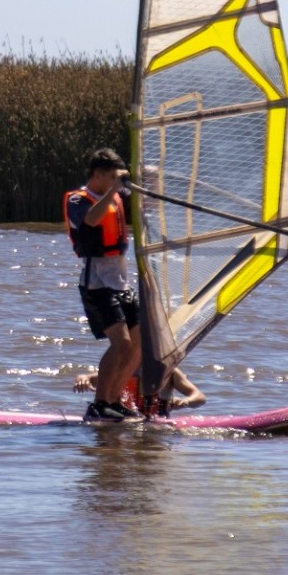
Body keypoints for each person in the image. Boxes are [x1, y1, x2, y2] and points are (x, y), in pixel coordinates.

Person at [65, 149, 205, 422]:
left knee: (139, 344)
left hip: (121, 282)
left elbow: (148, 203)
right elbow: (91, 220)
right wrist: (113, 191)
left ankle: (114, 400)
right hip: (97, 284)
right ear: (97, 175)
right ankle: (100, 404)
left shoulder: (114, 194)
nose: (116, 181)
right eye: (111, 176)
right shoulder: (78, 198)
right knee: (121, 343)